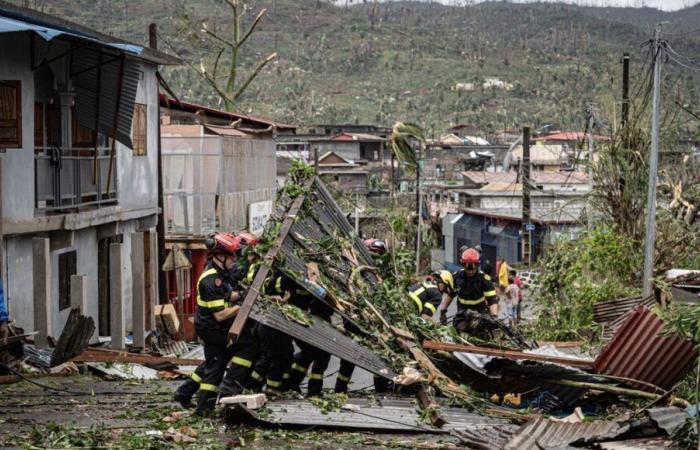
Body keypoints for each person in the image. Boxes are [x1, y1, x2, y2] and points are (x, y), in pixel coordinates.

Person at [173, 232, 244, 415]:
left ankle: (184, 392)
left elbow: (227, 296)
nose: (233, 261)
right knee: (216, 365)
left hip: (212, 326)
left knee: (213, 361)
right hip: (211, 327)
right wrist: (243, 306)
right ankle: (203, 408)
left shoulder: (220, 274)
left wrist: (242, 296)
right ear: (220, 256)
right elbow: (220, 315)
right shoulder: (212, 279)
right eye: (231, 257)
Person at [439, 248, 498, 331]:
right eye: (468, 269)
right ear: (463, 265)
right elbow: (450, 294)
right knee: (460, 330)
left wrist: (494, 317)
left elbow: (492, 300)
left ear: (477, 265)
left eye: (473, 269)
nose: (470, 272)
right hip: (462, 314)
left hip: (480, 314)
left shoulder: (484, 279)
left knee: (482, 331)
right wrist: (443, 311)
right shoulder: (456, 277)